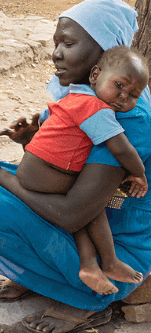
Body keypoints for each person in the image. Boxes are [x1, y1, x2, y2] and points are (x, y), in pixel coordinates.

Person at [0, 0, 151, 333]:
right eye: (56, 42)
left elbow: (72, 214)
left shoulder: (128, 118)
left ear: (103, 54)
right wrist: (31, 143)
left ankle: (82, 296)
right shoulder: (86, 98)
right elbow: (67, 174)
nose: (56, 53)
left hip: (115, 241)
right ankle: (40, 276)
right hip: (78, 213)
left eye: (69, 43)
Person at [16, 46, 148, 295]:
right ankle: (107, 262)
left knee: (87, 213)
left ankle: (89, 266)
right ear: (95, 75)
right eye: (119, 85)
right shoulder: (95, 109)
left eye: (133, 95)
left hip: (38, 169)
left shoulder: (74, 97)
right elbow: (121, 149)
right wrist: (138, 172)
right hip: (44, 173)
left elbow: (46, 122)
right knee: (91, 206)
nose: (123, 97)